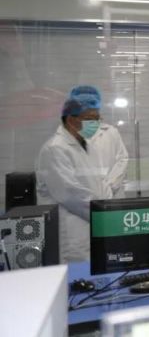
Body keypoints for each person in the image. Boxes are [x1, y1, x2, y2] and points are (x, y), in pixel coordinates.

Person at [35, 94, 113, 262]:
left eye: (98, 118)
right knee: (76, 271)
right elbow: (70, 194)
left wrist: (106, 206)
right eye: (90, 119)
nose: (96, 123)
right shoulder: (55, 149)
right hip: (71, 230)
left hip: (93, 223)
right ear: (71, 120)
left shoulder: (88, 146)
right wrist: (102, 212)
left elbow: (101, 181)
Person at [69, 85, 128, 198]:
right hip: (80, 199)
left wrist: (109, 187)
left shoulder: (111, 132)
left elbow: (122, 160)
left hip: (112, 196)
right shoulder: (67, 136)